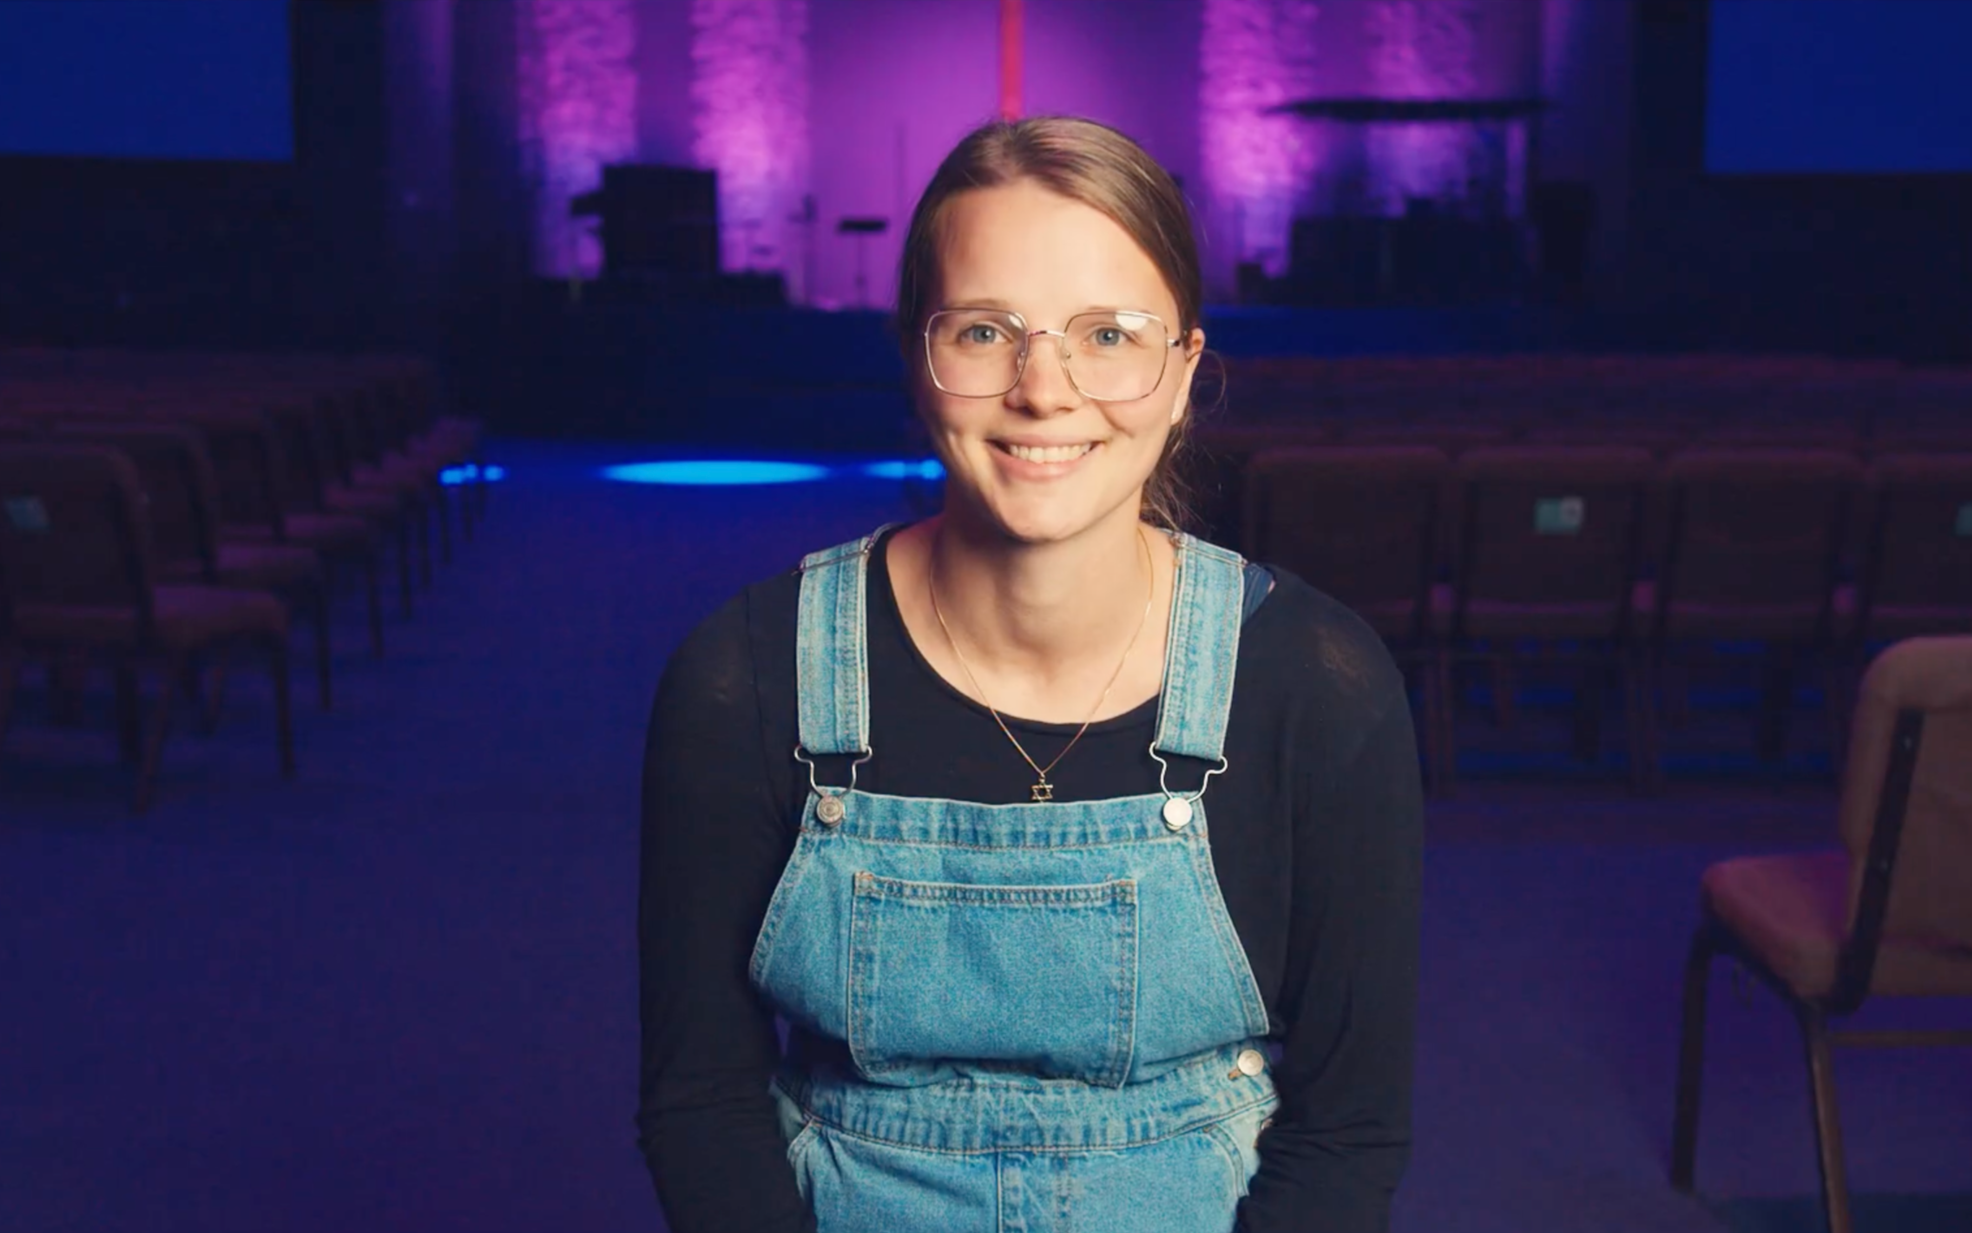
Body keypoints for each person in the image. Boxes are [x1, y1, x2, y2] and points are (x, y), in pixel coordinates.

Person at [638, 115, 1422, 1233]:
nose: (1043, 390)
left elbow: (1347, 1134)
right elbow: (699, 1104)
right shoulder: (744, 681)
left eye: (1108, 335)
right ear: (917, 356)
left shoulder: (1317, 684)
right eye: (984, 331)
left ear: (1184, 371)